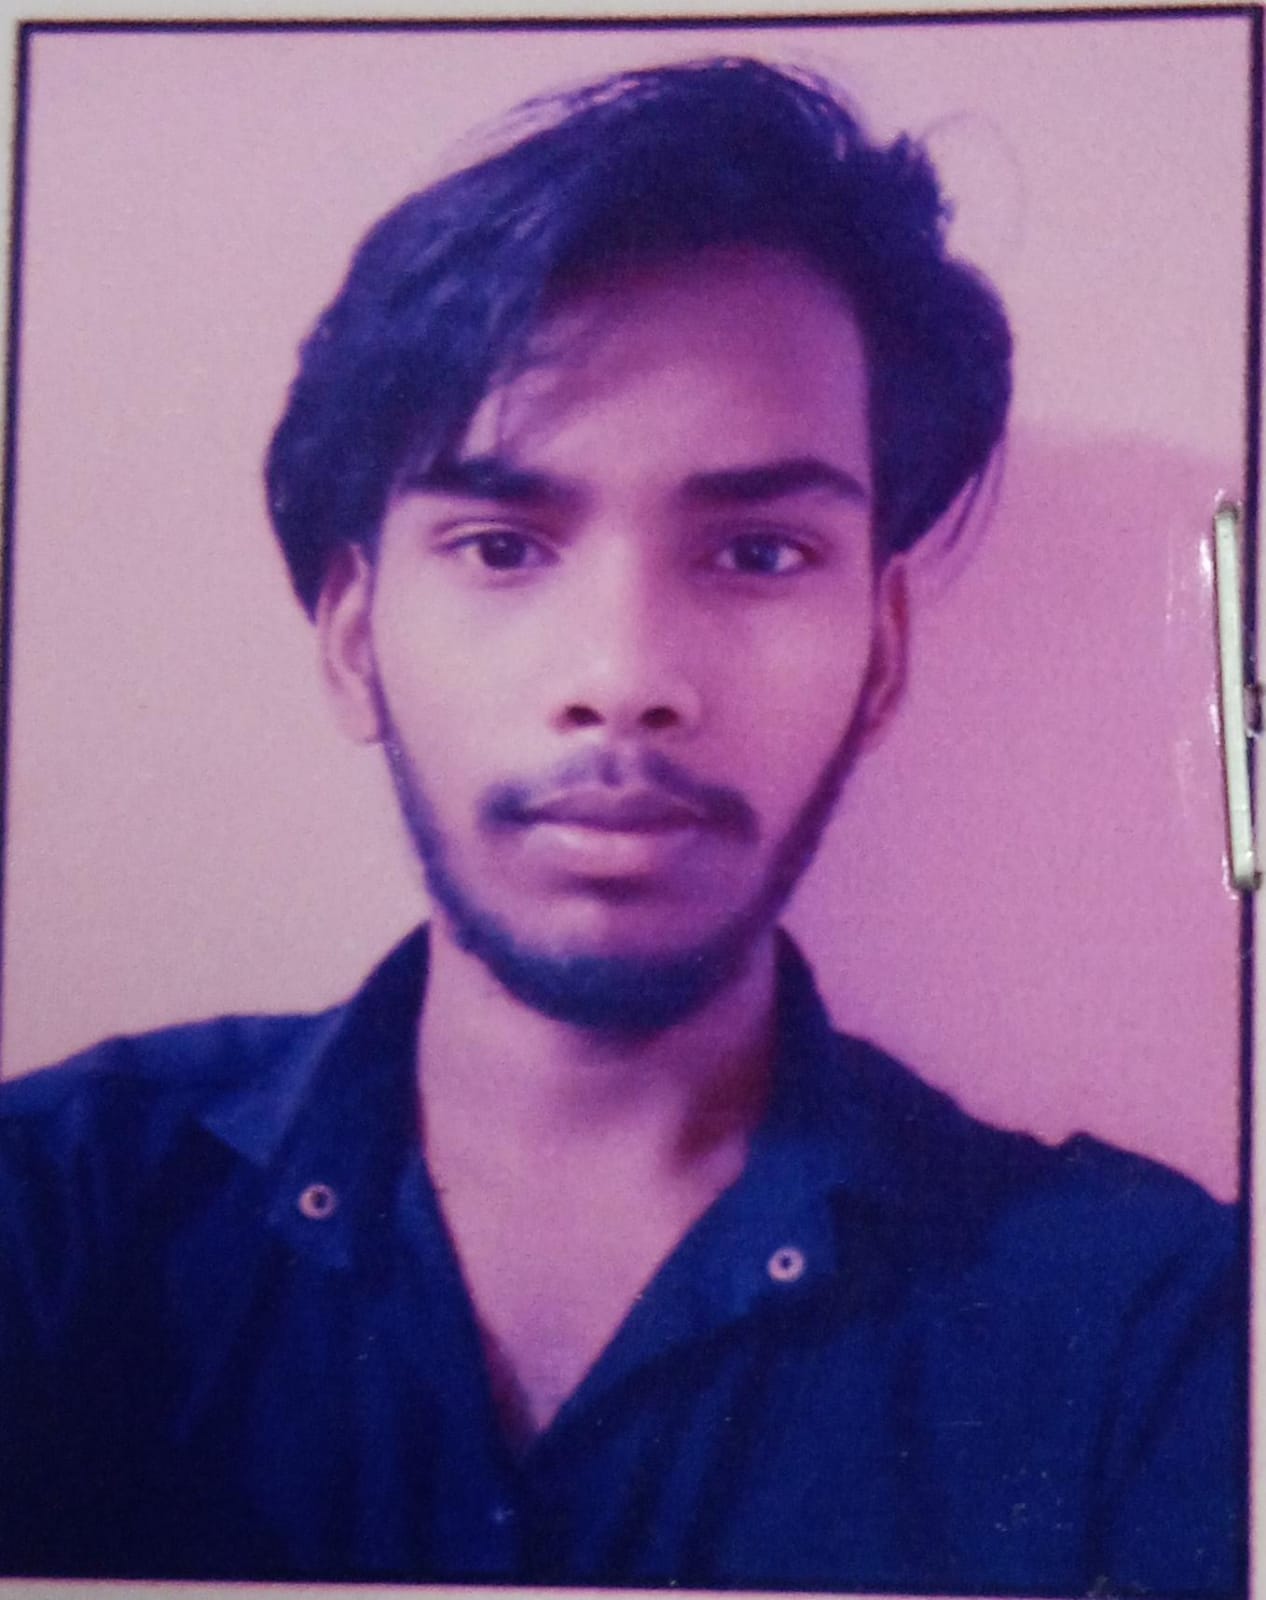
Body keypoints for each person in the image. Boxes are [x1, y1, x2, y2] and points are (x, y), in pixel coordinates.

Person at [0, 56, 1243, 1593]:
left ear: (881, 655)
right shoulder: (52, 1217)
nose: (624, 678)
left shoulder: (1145, 1339)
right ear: (353, 640)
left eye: (758, 553)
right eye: (501, 545)